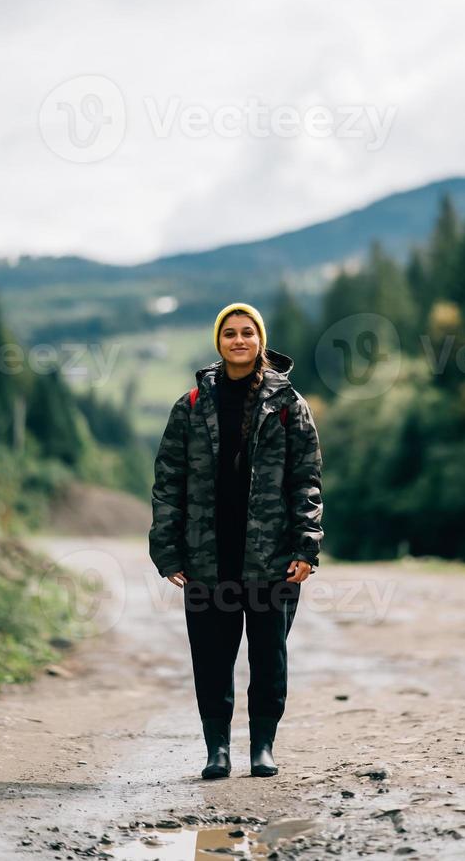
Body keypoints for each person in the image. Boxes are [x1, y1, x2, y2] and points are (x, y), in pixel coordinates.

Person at [148, 301, 324, 779]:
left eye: (248, 332)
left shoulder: (289, 406)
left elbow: (306, 481)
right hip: (207, 557)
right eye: (230, 333)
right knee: (211, 659)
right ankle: (217, 750)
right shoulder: (189, 407)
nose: (239, 340)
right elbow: (168, 483)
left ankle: (263, 747)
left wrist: (306, 546)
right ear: (218, 342)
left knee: (269, 658)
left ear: (260, 340)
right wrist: (167, 551)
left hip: (273, 559)